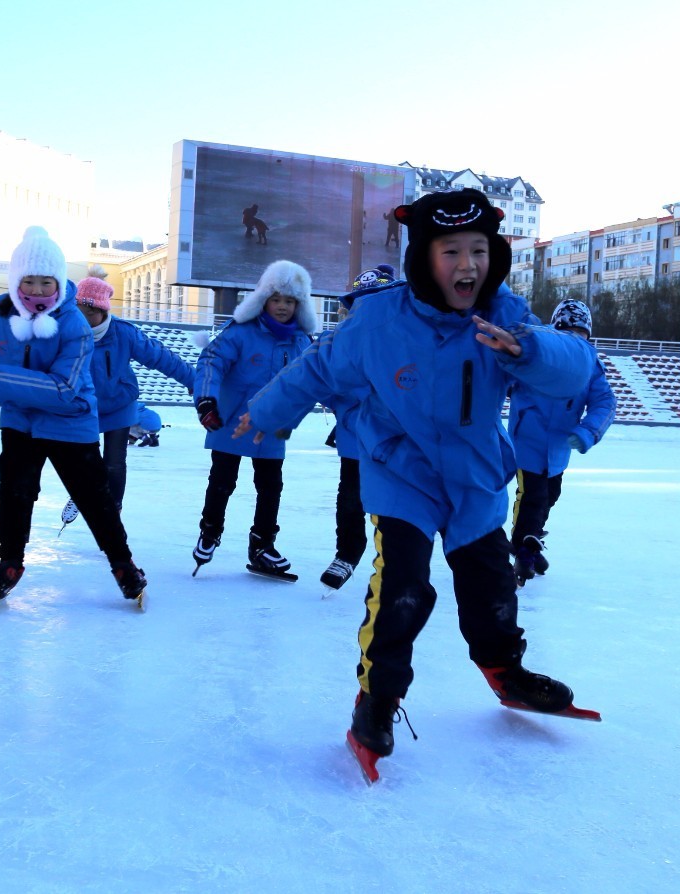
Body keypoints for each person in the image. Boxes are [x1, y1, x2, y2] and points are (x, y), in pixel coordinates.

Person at [239, 188, 600, 771]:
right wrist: (267, 412)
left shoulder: (505, 314)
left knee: (491, 584)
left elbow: (577, 366)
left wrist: (528, 349)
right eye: (450, 250)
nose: (467, 265)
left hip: (475, 472)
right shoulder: (379, 319)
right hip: (401, 468)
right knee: (402, 586)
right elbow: (316, 368)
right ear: (423, 258)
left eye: (478, 250)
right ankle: (376, 700)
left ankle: (504, 669)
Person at [0, 225, 147, 606]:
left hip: (70, 422)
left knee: (93, 497)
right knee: (14, 492)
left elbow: (63, 390)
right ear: (15, 281)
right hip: (20, 424)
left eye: (46, 282)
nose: (38, 291)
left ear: (58, 283)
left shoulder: (74, 325)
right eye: (29, 281)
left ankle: (123, 565)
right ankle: (10, 562)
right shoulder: (2, 317)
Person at [191, 259, 316, 578]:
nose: (283, 306)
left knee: (271, 485)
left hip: (271, 425)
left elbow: (310, 384)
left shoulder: (302, 340)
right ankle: (210, 531)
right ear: (264, 299)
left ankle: (262, 545)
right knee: (222, 480)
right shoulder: (241, 331)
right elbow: (212, 361)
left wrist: (290, 419)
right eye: (277, 299)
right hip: (230, 419)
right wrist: (207, 401)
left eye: (290, 301)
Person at [508, 298, 616, 585]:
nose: (574, 343)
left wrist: (587, 431)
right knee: (531, 496)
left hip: (558, 445)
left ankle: (531, 541)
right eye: (567, 334)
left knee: (550, 495)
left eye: (580, 336)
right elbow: (507, 375)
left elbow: (604, 401)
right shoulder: (539, 350)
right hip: (527, 441)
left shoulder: (590, 363)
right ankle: (523, 547)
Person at [70, 264, 194, 511]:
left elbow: (161, 356)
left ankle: (112, 511)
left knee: (115, 463)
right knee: (86, 461)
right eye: (78, 313)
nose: (83, 320)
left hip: (119, 404)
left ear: (103, 311)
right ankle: (85, 493)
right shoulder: (68, 333)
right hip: (86, 407)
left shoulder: (123, 333)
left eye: (90, 314)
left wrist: (194, 380)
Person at [320, 264, 398, 592]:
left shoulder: (405, 341)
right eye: (361, 302)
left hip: (395, 441)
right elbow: (319, 380)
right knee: (350, 498)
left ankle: (396, 559)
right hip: (353, 438)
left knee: (395, 501)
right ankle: (347, 553)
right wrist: (342, 408)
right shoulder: (339, 341)